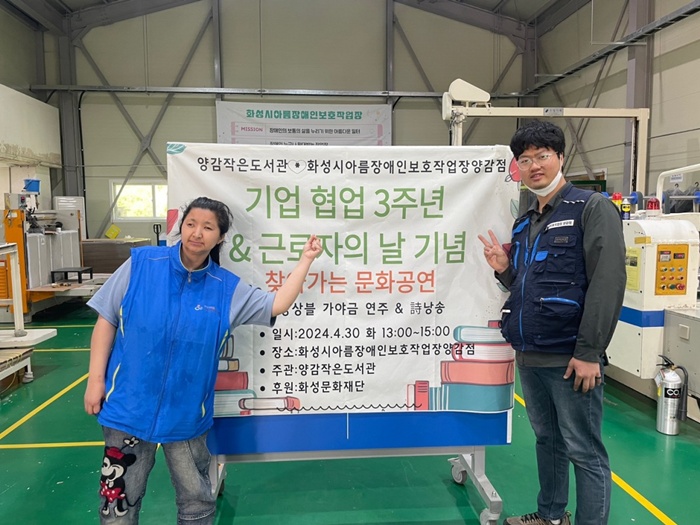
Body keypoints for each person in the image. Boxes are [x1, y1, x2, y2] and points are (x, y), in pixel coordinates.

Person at [84, 196, 323, 524]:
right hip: (127, 407)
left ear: (220, 237)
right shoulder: (142, 264)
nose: (197, 233)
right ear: (181, 227)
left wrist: (306, 260)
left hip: (186, 416)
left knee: (196, 502)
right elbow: (107, 318)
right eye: (191, 224)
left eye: (208, 227)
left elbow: (276, 303)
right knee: (118, 503)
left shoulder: (226, 289)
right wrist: (95, 381)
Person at [478, 121, 625, 525]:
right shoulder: (526, 221)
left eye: (542, 156)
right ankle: (550, 516)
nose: (534, 166)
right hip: (530, 355)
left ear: (560, 157)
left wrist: (589, 352)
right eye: (525, 160)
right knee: (549, 441)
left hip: (570, 357)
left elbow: (608, 283)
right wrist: (505, 269)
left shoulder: (591, 209)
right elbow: (527, 286)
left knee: (584, 450)